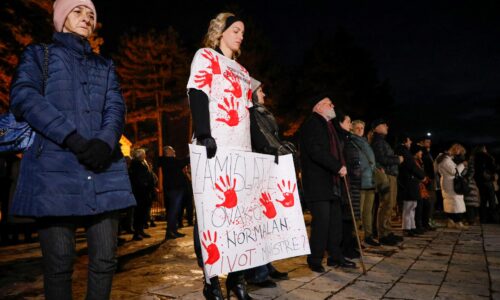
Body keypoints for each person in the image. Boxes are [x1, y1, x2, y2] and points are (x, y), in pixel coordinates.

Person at [8, 0, 136, 298]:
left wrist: (105, 142)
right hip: (54, 173)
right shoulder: (39, 55)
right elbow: (24, 96)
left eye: (91, 14)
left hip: (104, 171)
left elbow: (116, 107)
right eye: (78, 11)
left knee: (105, 260)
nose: (86, 18)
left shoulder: (105, 65)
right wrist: (72, 138)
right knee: (59, 264)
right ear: (62, 17)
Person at [187, 12, 253, 300]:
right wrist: (204, 133)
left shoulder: (243, 71)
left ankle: (237, 281)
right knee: (211, 215)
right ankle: (211, 280)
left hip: (242, 150)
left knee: (241, 218)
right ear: (221, 31)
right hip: (215, 145)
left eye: (242, 31)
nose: (240, 35)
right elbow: (197, 91)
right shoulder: (206, 56)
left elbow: (248, 114)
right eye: (235, 29)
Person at [299, 94, 356, 273]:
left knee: (335, 223)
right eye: (329, 103)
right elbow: (316, 150)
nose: (333, 106)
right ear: (319, 106)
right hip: (318, 182)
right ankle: (315, 259)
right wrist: (337, 166)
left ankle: (335, 256)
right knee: (321, 223)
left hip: (331, 182)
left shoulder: (330, 126)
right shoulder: (313, 123)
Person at [243, 78, 289, 287]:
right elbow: (262, 138)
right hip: (257, 170)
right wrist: (278, 149)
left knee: (267, 224)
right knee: (258, 225)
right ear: (251, 94)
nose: (264, 95)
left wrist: (281, 145)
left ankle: (266, 265)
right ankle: (257, 273)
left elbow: (270, 138)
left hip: (265, 168)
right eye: (260, 91)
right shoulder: (253, 113)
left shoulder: (260, 112)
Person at [371, 119, 404, 245]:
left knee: (390, 204)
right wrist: (397, 159)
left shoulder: (381, 141)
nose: (386, 126)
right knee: (386, 204)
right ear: (376, 128)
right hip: (387, 176)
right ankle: (383, 234)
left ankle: (387, 231)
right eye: (383, 124)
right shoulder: (378, 141)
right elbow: (381, 159)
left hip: (391, 175)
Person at [335, 111, 361, 259]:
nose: (350, 125)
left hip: (352, 182)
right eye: (348, 122)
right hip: (346, 181)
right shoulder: (340, 139)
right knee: (346, 216)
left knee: (350, 216)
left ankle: (350, 245)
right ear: (340, 123)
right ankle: (345, 247)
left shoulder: (347, 138)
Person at [351, 120, 380, 246]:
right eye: (357, 128)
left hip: (370, 181)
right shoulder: (351, 141)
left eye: (362, 128)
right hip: (359, 182)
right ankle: (355, 239)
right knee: (358, 212)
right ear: (352, 129)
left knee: (368, 212)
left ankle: (368, 236)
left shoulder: (365, 142)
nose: (360, 130)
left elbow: (371, 160)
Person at [158, 145, 189, 240]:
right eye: (172, 150)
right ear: (167, 152)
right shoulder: (169, 161)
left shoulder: (169, 161)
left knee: (175, 211)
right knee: (173, 211)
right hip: (174, 189)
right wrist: (190, 156)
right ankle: (170, 232)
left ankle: (173, 230)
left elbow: (181, 163)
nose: (174, 151)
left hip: (174, 189)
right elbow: (182, 162)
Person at [435, 143, 468, 229]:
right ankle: (458, 222)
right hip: (450, 183)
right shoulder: (445, 159)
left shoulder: (443, 159)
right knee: (455, 202)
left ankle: (451, 221)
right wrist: (463, 165)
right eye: (458, 150)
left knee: (451, 202)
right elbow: (454, 171)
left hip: (449, 182)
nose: (458, 153)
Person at [397, 140, 426, 237]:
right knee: (408, 207)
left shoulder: (405, 153)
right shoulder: (405, 153)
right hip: (408, 184)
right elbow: (412, 167)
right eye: (409, 141)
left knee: (413, 206)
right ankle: (406, 228)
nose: (410, 142)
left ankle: (412, 227)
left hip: (412, 183)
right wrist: (422, 175)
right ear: (405, 142)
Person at [128, 148, 156, 241]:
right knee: (139, 213)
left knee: (144, 213)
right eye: (144, 154)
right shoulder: (136, 164)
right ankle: (137, 233)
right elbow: (138, 178)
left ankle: (141, 231)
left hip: (145, 191)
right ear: (139, 155)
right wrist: (146, 183)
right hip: (140, 192)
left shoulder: (143, 163)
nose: (145, 155)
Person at [473, 145, 498, 223]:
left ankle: (483, 218)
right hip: (488, 181)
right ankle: (493, 218)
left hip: (479, 181)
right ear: (483, 149)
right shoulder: (488, 157)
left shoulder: (474, 158)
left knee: (483, 200)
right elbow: (493, 168)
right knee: (491, 200)